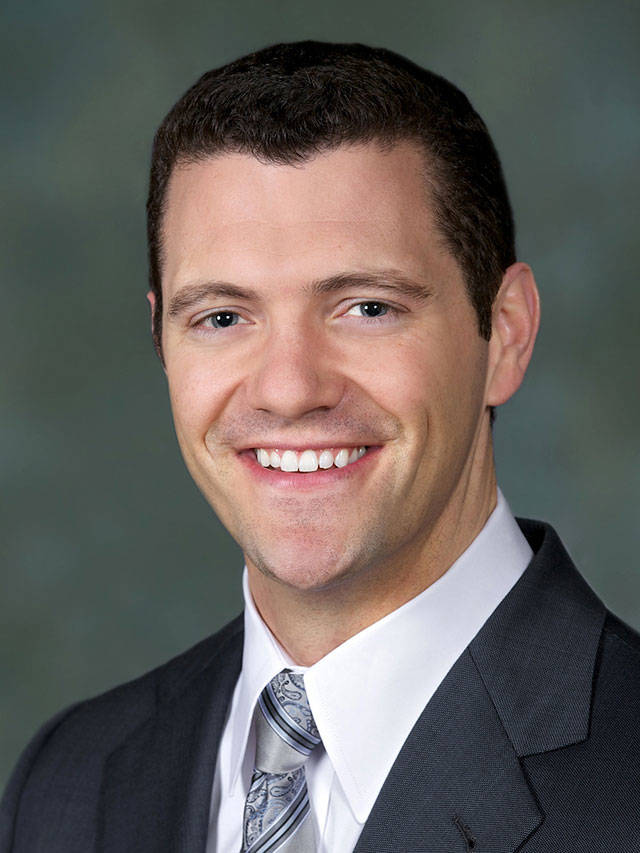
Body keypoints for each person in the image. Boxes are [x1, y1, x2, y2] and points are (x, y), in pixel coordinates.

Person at [2, 40, 639, 853]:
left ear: (505, 335)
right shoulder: (69, 783)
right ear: (162, 337)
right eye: (222, 317)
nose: (289, 388)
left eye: (367, 307)